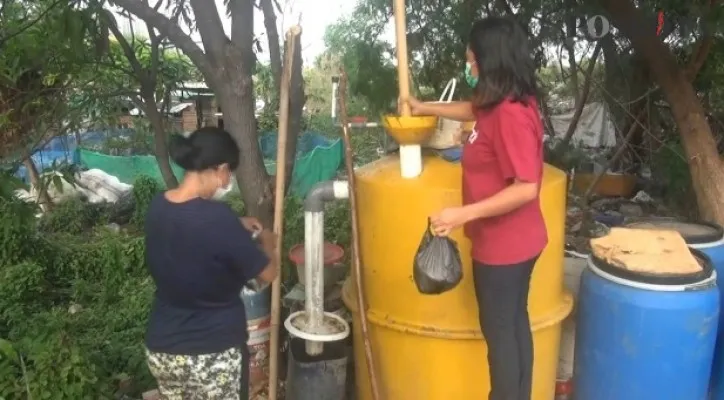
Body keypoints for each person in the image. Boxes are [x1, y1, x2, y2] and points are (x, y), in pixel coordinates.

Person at [403, 16, 546, 400]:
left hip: (506, 248)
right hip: (517, 242)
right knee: (514, 324)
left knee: (501, 334)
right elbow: (472, 109)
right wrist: (423, 107)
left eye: (472, 60)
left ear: (489, 60)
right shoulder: (503, 100)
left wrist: (459, 215)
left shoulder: (511, 115)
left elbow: (527, 187)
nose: (469, 67)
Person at [143, 126, 279, 399]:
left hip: (163, 350)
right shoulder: (218, 218)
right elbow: (268, 273)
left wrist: (236, 225)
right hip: (213, 354)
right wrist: (268, 241)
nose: (228, 181)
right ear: (221, 169)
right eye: (229, 173)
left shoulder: (158, 207)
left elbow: (188, 230)